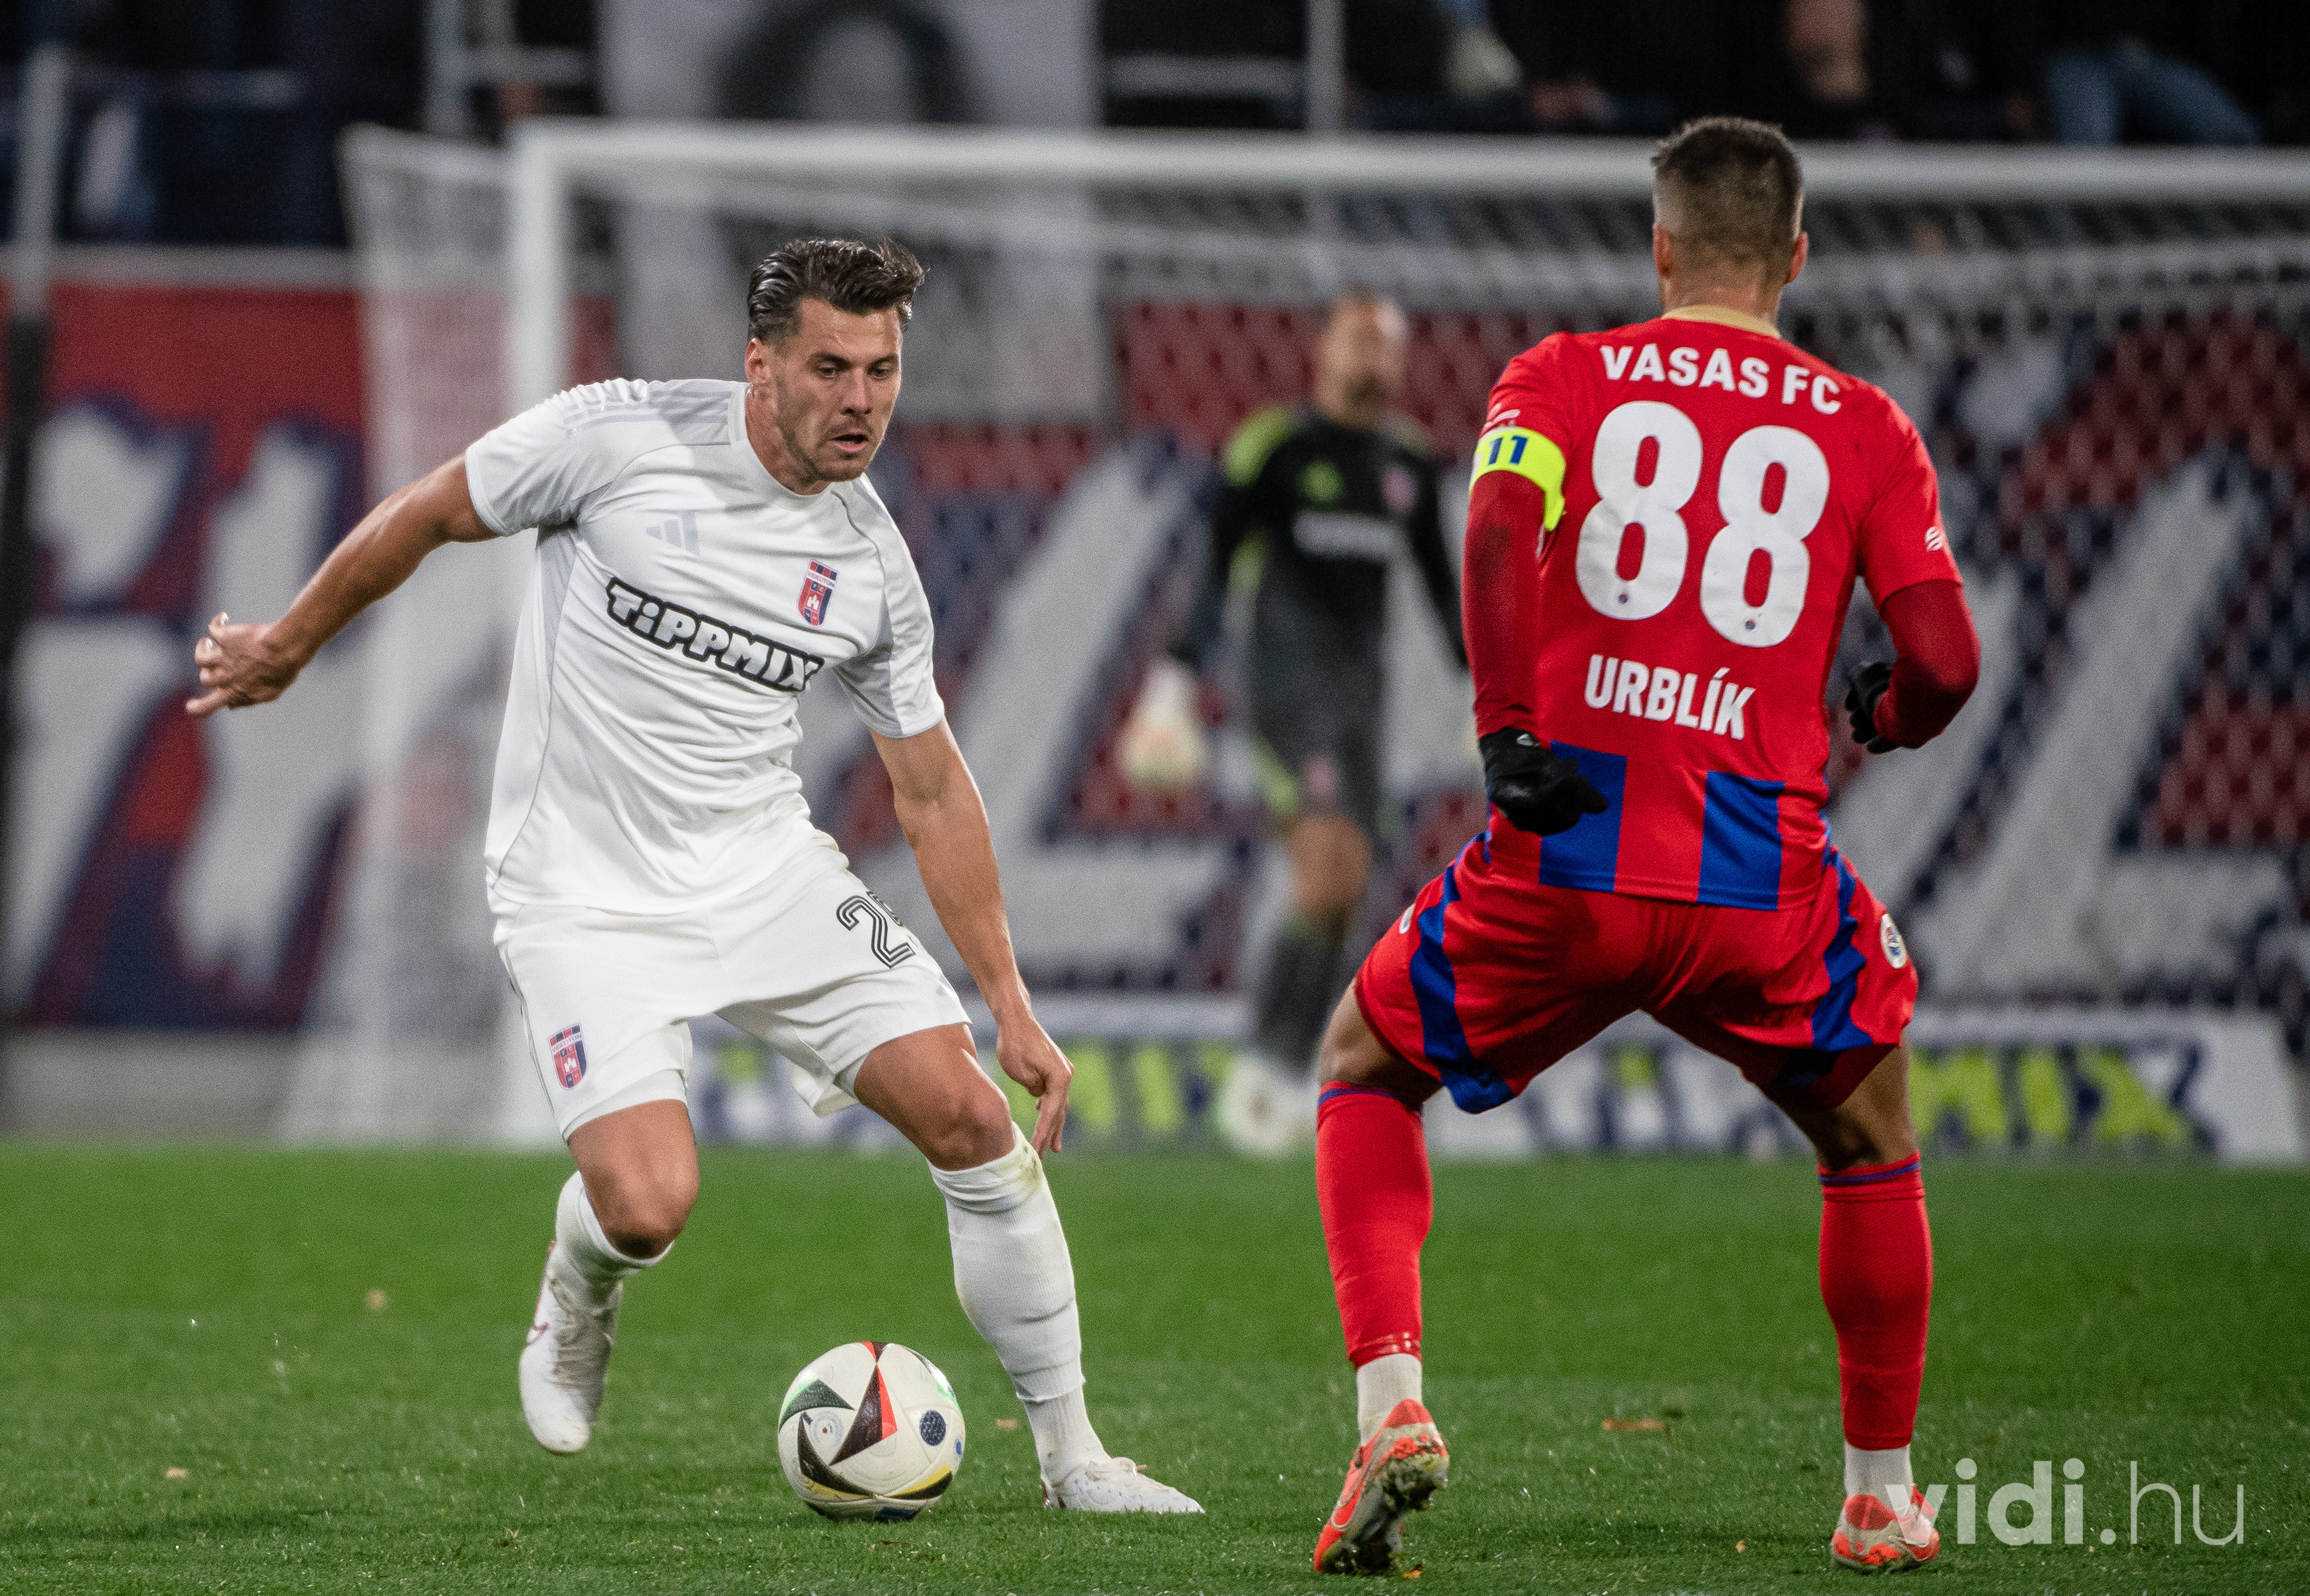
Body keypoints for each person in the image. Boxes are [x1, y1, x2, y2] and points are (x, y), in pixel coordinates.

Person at [185, 237, 1200, 1515]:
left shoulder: (871, 564)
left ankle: (1076, 1462)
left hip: (763, 872)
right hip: (581, 891)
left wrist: (1009, 1002)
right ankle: (580, 1284)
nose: (862, 400)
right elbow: (434, 510)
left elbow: (933, 787)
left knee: (971, 1119)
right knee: (649, 1203)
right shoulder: (616, 439)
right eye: (830, 368)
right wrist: (289, 644)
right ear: (759, 364)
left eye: (883, 371)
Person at [1305, 118, 1982, 1575]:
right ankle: (1880, 1494)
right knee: (1871, 1140)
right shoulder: (1865, 425)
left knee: (1364, 1064)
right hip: (1761, 882)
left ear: (1660, 247)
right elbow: (1947, 658)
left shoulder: (1561, 376)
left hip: (1567, 850)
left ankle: (1393, 1407)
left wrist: (1506, 735)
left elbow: (1496, 528)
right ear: (1797, 257)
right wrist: (1888, 711)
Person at [1120, 292, 1464, 1152]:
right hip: (1284, 694)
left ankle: (1280, 1070)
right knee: (1327, 873)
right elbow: (1213, 572)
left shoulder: (1408, 464)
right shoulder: (1274, 450)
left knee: (1346, 893)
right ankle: (1267, 1069)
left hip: (1361, 706)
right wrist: (1171, 687)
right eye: (1357, 340)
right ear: (1321, 350)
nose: (1371, 358)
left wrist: (1485, 690)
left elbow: (1441, 590)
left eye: (1386, 344)